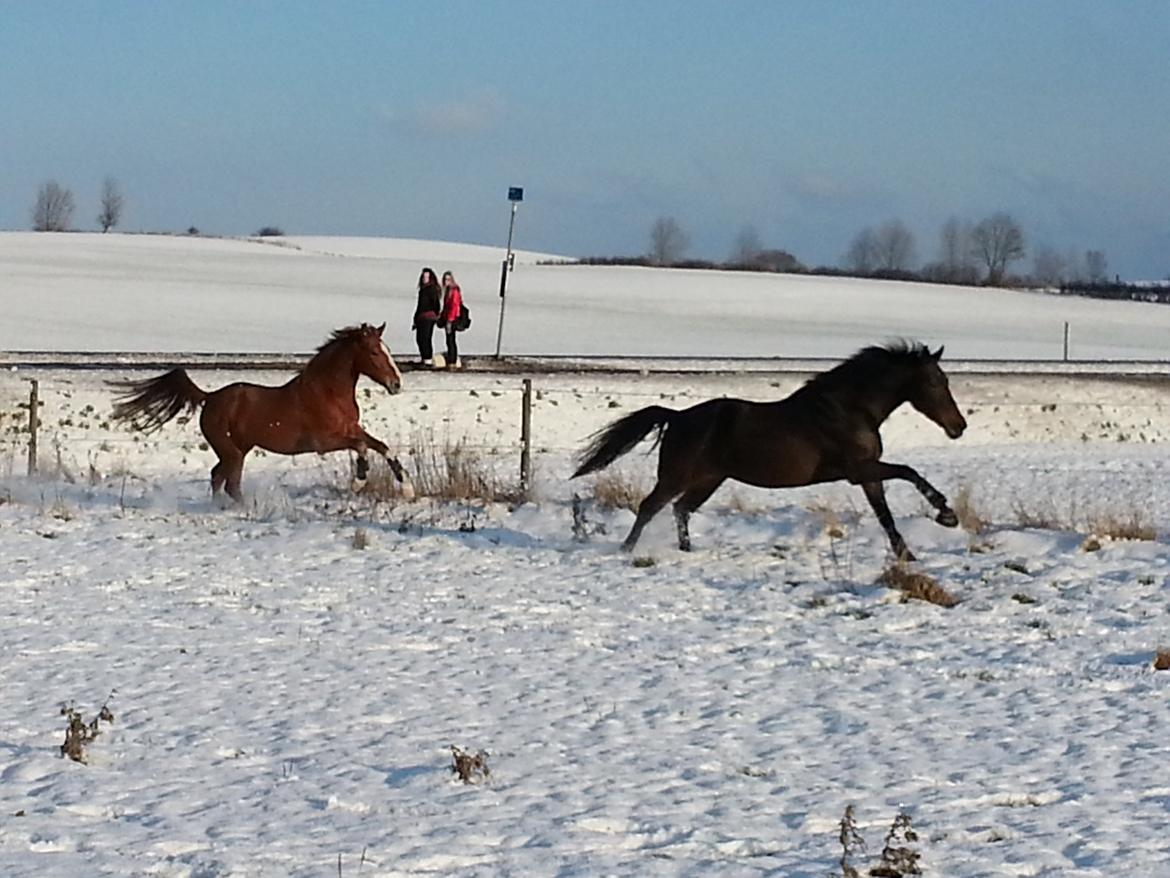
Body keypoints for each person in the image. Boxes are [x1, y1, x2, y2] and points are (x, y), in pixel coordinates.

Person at [412, 267, 442, 366]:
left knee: (425, 338)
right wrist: (415, 320)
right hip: (421, 318)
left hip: (428, 317)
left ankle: (427, 359)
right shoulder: (423, 290)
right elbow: (419, 306)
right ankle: (424, 357)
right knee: (420, 338)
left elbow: (436, 304)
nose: (425, 279)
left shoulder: (432, 289)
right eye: (424, 277)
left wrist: (436, 315)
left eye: (427, 277)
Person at [438, 270, 463, 370]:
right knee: (449, 339)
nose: (446, 281)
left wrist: (450, 320)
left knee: (451, 339)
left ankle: (452, 360)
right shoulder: (448, 291)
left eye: (448, 279)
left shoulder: (454, 291)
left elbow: (454, 306)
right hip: (448, 317)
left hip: (452, 319)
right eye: (445, 279)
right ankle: (451, 358)